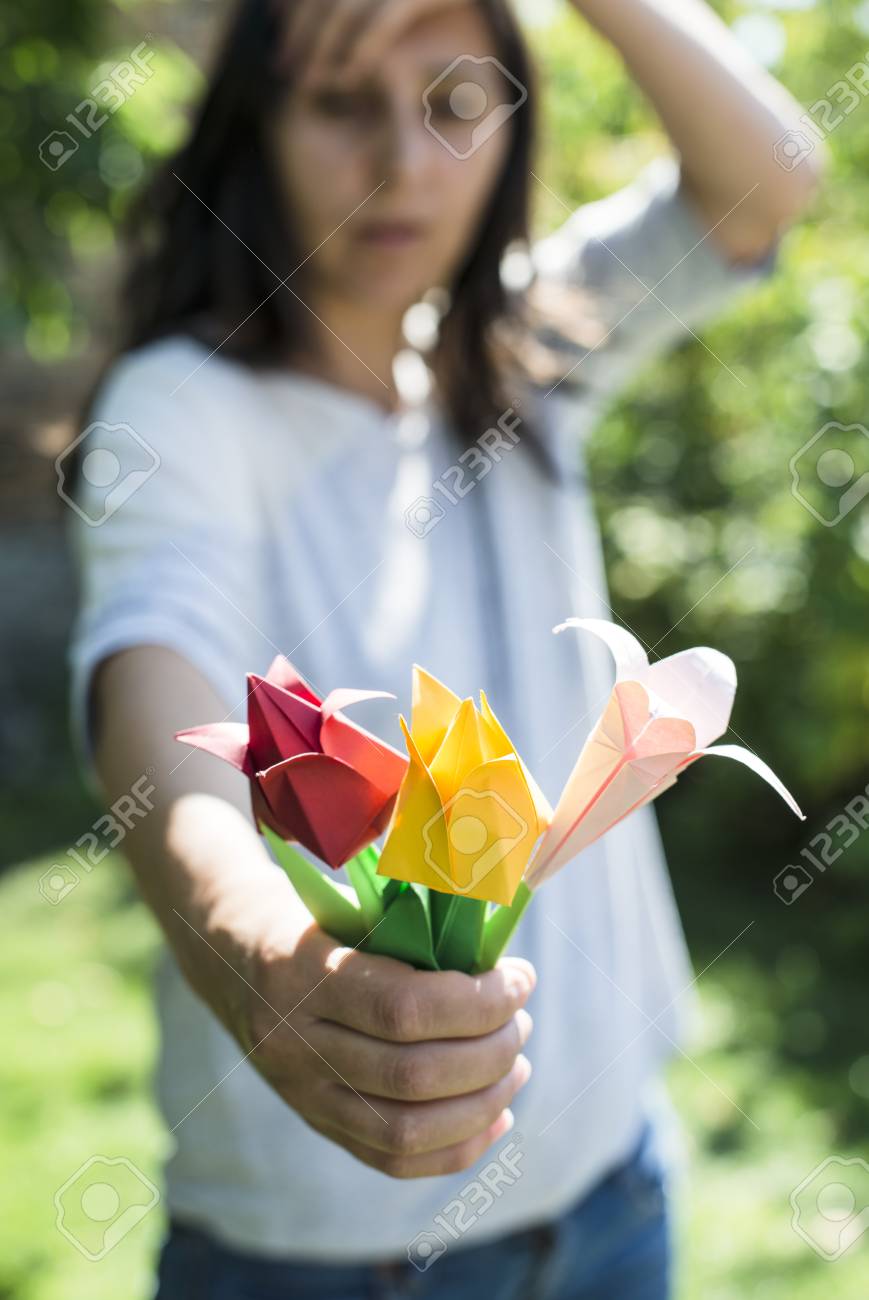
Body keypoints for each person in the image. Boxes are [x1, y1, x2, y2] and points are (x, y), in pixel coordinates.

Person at [66, 1, 822, 1296]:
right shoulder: (183, 409)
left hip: (611, 1197)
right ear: (255, 126)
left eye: (454, 102)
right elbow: (153, 670)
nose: (404, 166)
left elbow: (767, 177)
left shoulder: (528, 353)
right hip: (324, 1259)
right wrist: (263, 959)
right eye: (341, 101)